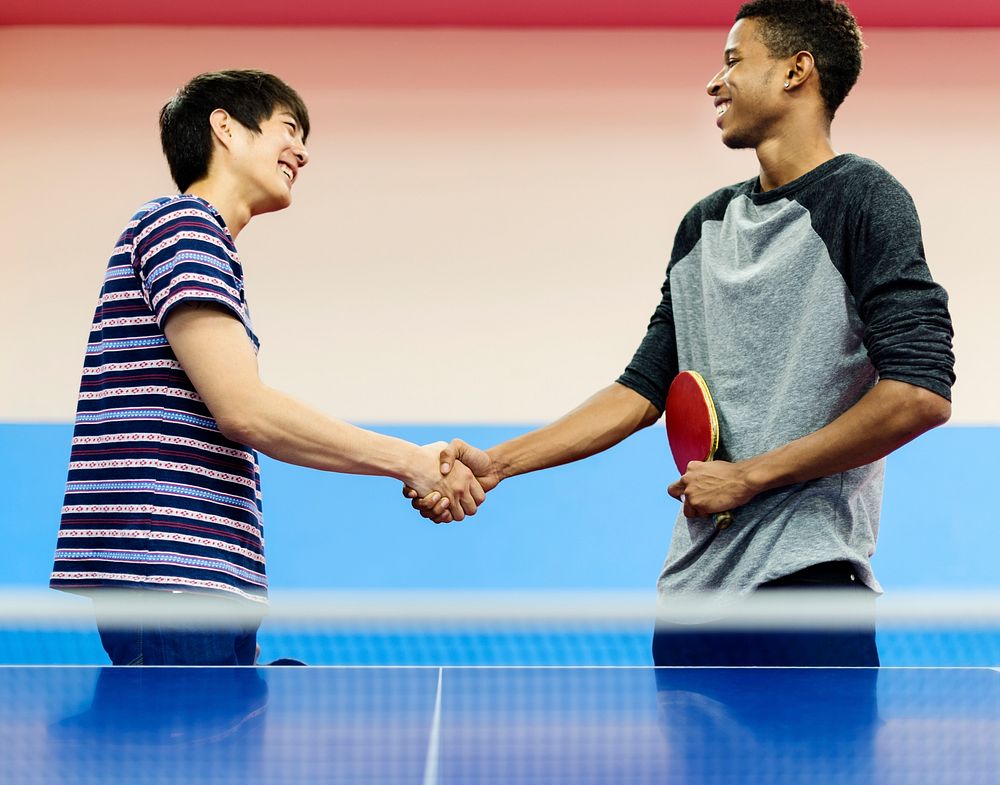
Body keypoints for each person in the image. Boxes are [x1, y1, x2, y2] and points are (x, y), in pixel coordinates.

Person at [408, 0, 955, 666]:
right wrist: (499, 463)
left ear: (796, 71)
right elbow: (642, 389)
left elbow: (920, 390)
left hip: (806, 592)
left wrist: (750, 477)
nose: (713, 82)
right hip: (691, 600)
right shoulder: (704, 227)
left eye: (733, 61)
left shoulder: (864, 199)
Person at [50, 69, 484, 666]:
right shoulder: (184, 226)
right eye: (288, 129)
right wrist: (410, 461)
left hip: (200, 574)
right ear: (224, 127)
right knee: (186, 757)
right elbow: (244, 409)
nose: (302, 152)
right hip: (174, 573)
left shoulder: (198, 240)